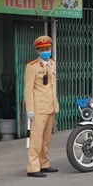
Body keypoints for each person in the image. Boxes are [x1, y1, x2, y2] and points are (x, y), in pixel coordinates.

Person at [24, 35, 59, 178]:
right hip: (38, 108)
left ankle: (44, 163)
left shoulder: (52, 63)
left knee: (46, 139)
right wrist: (30, 109)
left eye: (48, 49)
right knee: (36, 138)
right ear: (38, 51)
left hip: (50, 106)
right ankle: (33, 167)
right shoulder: (32, 66)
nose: (46, 51)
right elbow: (28, 89)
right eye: (43, 49)